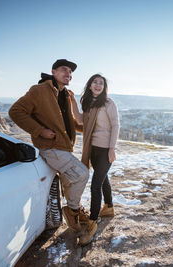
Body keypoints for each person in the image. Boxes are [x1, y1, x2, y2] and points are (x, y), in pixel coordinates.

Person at [9, 59, 89, 233]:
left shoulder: (65, 94)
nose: (68, 74)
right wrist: (40, 131)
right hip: (51, 148)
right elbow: (15, 111)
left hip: (65, 147)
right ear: (53, 72)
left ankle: (75, 212)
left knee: (69, 184)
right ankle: (72, 210)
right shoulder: (39, 90)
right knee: (82, 174)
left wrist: (89, 129)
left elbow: (70, 122)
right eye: (63, 70)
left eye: (70, 72)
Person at [69, 73, 120, 245]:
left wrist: (112, 148)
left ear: (104, 87)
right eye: (95, 82)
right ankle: (109, 207)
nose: (98, 85)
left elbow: (115, 125)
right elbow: (80, 119)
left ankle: (92, 222)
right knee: (102, 177)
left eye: (101, 83)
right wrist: (73, 101)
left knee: (96, 184)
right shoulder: (89, 103)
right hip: (93, 148)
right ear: (90, 85)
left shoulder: (108, 103)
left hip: (106, 149)